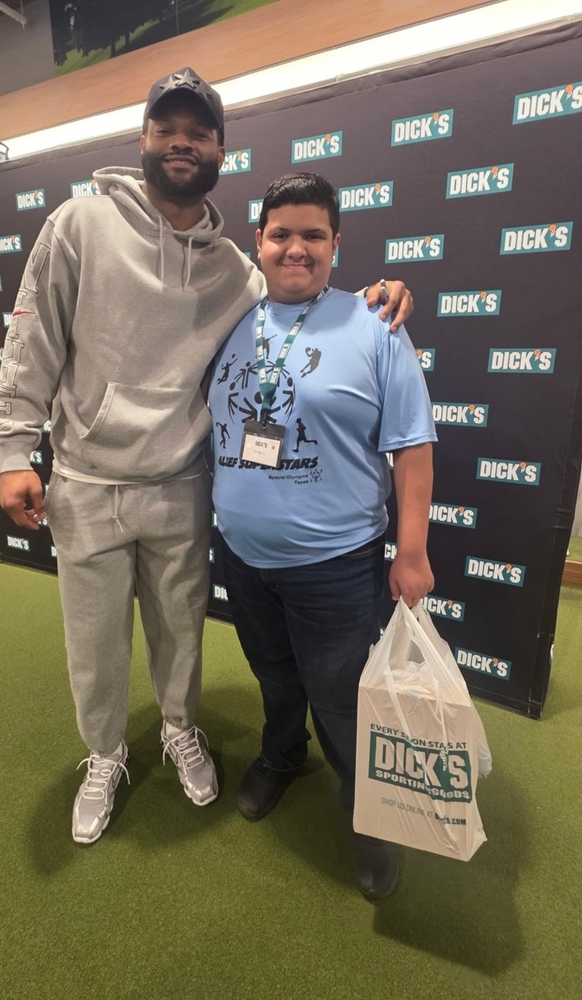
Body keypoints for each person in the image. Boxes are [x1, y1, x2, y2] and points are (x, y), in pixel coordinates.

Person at [0, 68, 414, 845]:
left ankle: (179, 729)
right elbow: (31, 338)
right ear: (143, 141)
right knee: (93, 644)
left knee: (181, 633)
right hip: (85, 481)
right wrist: (15, 447)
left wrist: (372, 299)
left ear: (220, 151)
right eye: (167, 129)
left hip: (182, 486)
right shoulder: (78, 224)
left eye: (198, 133)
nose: (181, 142)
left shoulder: (235, 272)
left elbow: (301, 300)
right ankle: (104, 755)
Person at [207, 172, 436, 901]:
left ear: (336, 243)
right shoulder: (231, 319)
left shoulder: (375, 323)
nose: (295, 248)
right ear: (259, 242)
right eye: (281, 234)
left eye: (312, 235)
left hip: (334, 564)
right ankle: (282, 755)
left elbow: (413, 444)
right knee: (275, 678)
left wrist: (412, 551)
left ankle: (370, 813)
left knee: (340, 697)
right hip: (243, 556)